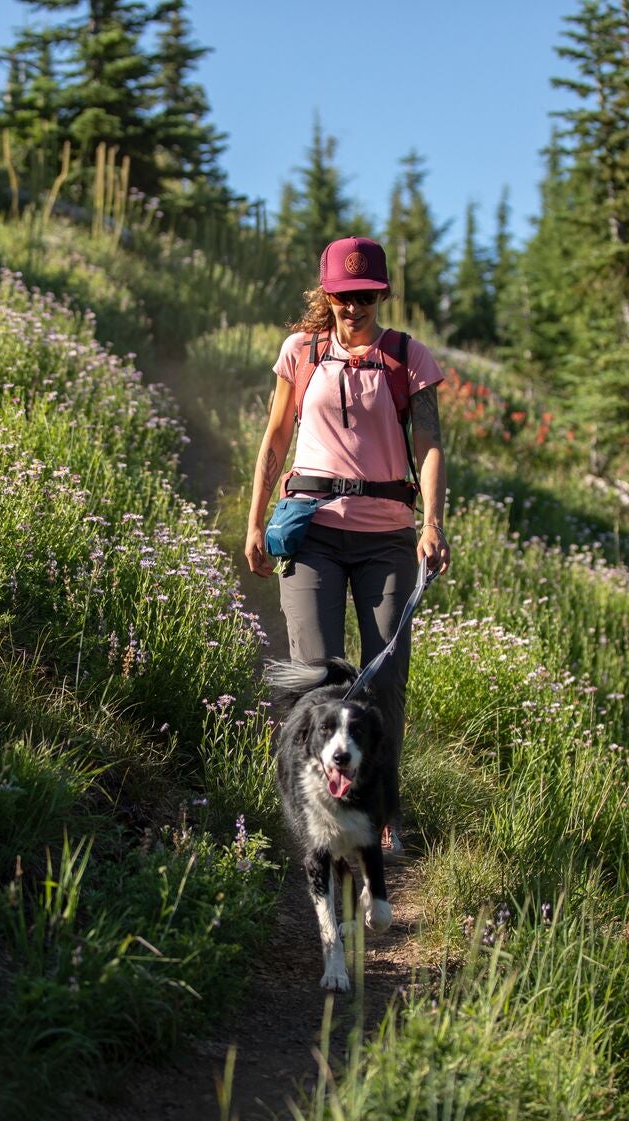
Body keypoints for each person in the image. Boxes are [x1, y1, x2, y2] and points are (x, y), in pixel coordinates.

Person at [244, 235, 451, 823]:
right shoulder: (300, 353)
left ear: (379, 294)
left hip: (387, 541)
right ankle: (315, 807)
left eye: (364, 295)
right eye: (342, 296)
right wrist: (255, 520)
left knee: (383, 684)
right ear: (327, 295)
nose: (353, 307)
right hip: (311, 535)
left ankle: (379, 808)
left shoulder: (409, 358)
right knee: (318, 677)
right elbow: (276, 438)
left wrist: (431, 524)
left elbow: (430, 442)